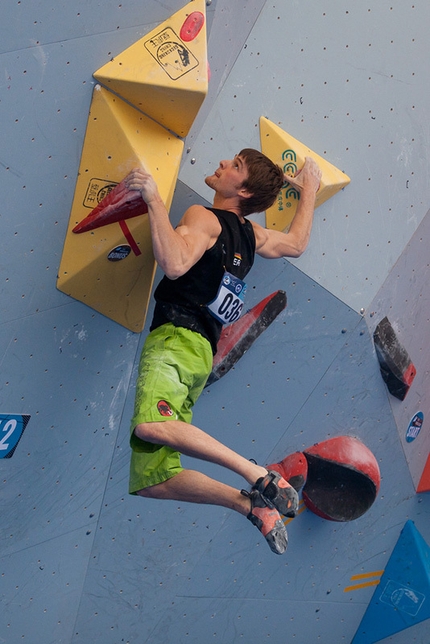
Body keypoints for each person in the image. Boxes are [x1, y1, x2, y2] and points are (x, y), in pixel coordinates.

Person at [125, 150, 322, 555]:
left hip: (175, 341)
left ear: (244, 189)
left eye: (234, 166)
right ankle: (250, 506)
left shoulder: (204, 217)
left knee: (149, 427)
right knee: (152, 481)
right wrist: (311, 189)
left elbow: (176, 263)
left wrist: (154, 198)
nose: (221, 165)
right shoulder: (252, 235)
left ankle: (258, 475)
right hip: (199, 354)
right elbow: (297, 244)